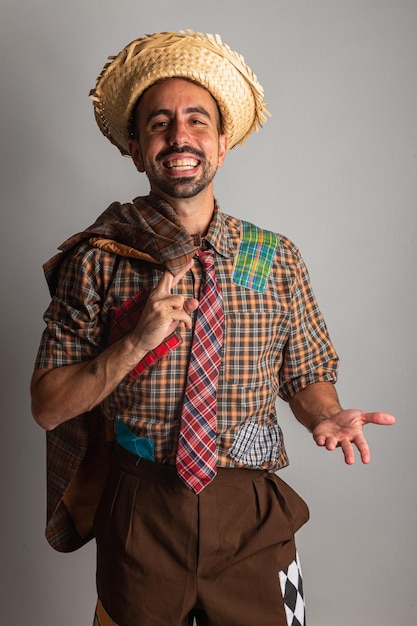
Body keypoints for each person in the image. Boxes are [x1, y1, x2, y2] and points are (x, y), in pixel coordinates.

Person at [30, 30, 395, 626]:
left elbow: (306, 374)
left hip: (250, 510)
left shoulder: (273, 257)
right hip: (140, 510)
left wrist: (322, 412)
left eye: (198, 122)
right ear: (134, 145)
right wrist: (135, 342)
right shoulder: (96, 260)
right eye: (159, 123)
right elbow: (47, 407)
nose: (180, 137)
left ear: (222, 145)